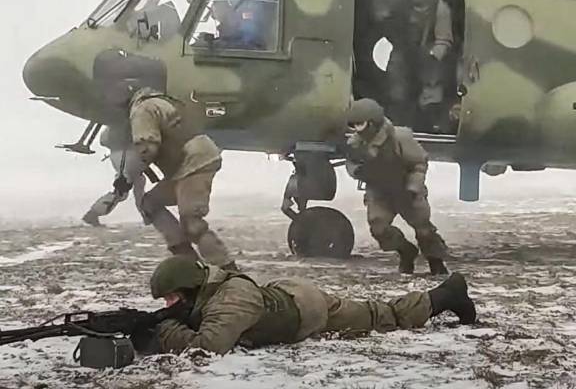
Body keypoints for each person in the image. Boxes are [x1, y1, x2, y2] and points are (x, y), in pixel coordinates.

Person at [134, 255, 476, 355]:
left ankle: (446, 295)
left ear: (191, 288)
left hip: (307, 311)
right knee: (378, 312)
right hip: (287, 294)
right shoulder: (215, 294)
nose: (169, 305)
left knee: (382, 317)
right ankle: (447, 294)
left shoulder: (231, 301)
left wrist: (163, 328)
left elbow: (208, 347)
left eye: (172, 298)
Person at [129, 87, 237, 270]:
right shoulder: (166, 102)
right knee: (151, 203)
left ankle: (227, 270)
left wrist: (130, 174)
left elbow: (147, 147)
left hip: (193, 163)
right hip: (194, 160)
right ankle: (188, 262)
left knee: (192, 223)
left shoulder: (143, 109)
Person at [344, 98, 449, 275]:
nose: (357, 128)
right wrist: (358, 172)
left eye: (360, 124)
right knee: (379, 228)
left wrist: (414, 186)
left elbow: (419, 162)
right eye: (354, 124)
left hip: (405, 189)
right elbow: (352, 164)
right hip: (379, 191)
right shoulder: (356, 143)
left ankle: (436, 261)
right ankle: (406, 251)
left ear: (372, 122)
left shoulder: (400, 137)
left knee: (424, 230)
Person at [384, 0, 454, 131]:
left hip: (428, 51)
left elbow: (444, 41)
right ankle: (395, 121)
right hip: (403, 47)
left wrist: (431, 57)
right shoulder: (399, 4)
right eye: (414, 7)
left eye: (422, 8)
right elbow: (387, 23)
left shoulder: (442, 10)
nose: (415, 14)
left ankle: (432, 123)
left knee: (433, 82)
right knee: (396, 82)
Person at [82, 126, 148, 227]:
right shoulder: (127, 122)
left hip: (126, 155)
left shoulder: (115, 124)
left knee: (137, 185)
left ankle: (147, 216)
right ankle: (92, 214)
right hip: (125, 155)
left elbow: (103, 141)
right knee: (121, 189)